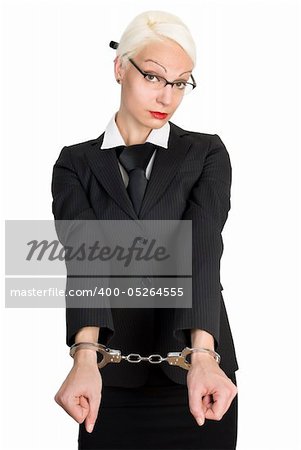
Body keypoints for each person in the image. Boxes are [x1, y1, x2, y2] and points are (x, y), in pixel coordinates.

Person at [51, 10, 239, 450]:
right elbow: (85, 259)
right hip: (110, 376)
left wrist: (204, 357)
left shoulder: (206, 153)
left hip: (198, 372)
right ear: (120, 68)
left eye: (180, 82)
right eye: (154, 77)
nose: (167, 96)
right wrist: (85, 358)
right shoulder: (75, 163)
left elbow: (203, 247)